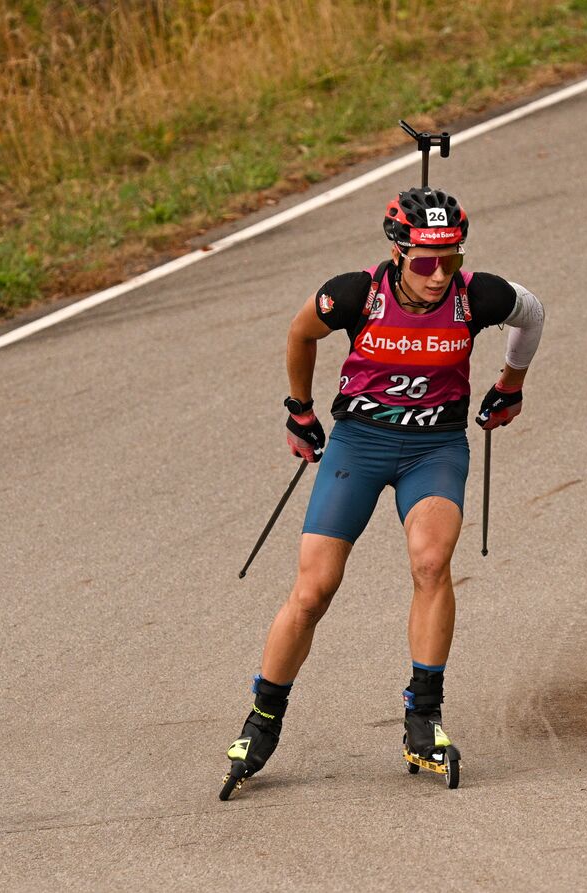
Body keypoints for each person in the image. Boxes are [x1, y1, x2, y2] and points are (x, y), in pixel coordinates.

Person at [225, 185, 544, 787]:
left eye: (450, 258)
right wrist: (299, 410)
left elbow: (533, 314)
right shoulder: (354, 294)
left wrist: (511, 384)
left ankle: (424, 718)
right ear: (397, 252)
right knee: (315, 590)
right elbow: (300, 335)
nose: (438, 274)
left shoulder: (478, 295)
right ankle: (262, 718)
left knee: (431, 562)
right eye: (425, 261)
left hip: (435, 448)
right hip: (358, 447)